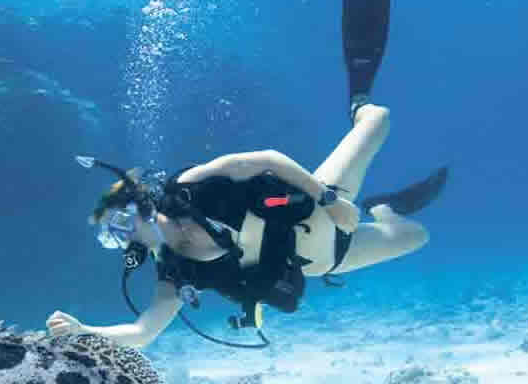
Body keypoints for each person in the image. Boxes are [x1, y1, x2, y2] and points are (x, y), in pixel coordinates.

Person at [47, 0, 447, 348]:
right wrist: (85, 330)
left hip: (324, 207)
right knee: (420, 236)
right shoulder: (174, 271)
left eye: (119, 224)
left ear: (143, 206)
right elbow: (143, 331)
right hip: (328, 259)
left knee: (378, 120)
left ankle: (359, 97)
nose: (123, 240)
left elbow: (266, 158)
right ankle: (384, 209)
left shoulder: (192, 189)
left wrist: (329, 200)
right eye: (111, 238)